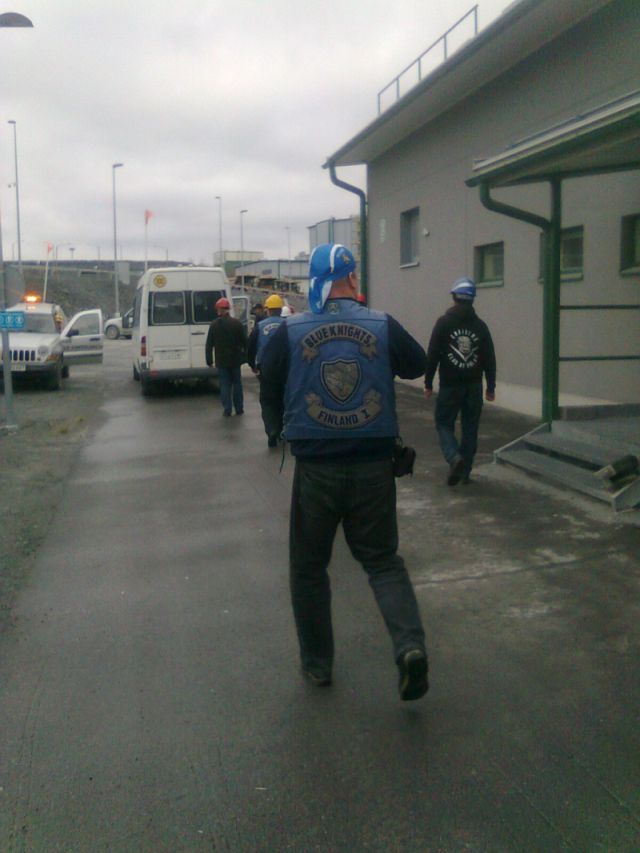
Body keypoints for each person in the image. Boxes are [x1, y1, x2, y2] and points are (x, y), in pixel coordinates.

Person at [260, 243, 429, 701]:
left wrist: (277, 425)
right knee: (383, 562)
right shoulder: (382, 323)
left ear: (315, 282)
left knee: (309, 569)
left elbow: (268, 376)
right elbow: (417, 363)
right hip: (374, 467)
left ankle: (318, 665)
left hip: (316, 470)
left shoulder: (290, 329)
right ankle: (410, 647)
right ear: (352, 279)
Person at [424, 277, 496, 485]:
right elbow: (489, 358)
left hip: (450, 385)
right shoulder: (480, 326)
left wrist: (428, 382)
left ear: (454, 297)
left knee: (443, 423)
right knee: (470, 428)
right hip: (474, 386)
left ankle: (454, 458)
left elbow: (433, 354)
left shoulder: (443, 323)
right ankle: (465, 473)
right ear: (472, 299)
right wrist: (491, 387)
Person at [247, 293, 286, 447]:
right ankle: (282, 429)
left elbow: (251, 346)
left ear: (268, 310)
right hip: (284, 370)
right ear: (280, 309)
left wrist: (252, 365)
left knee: (267, 401)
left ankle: (271, 430)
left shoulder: (260, 326)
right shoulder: (287, 325)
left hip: (266, 369)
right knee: (282, 400)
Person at [205, 297, 247, 417]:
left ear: (219, 310)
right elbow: (245, 342)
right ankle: (239, 408)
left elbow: (209, 344)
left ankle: (227, 409)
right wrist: (245, 357)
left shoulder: (214, 325)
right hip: (235, 360)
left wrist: (209, 361)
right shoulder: (237, 323)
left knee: (224, 385)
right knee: (237, 384)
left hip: (222, 361)